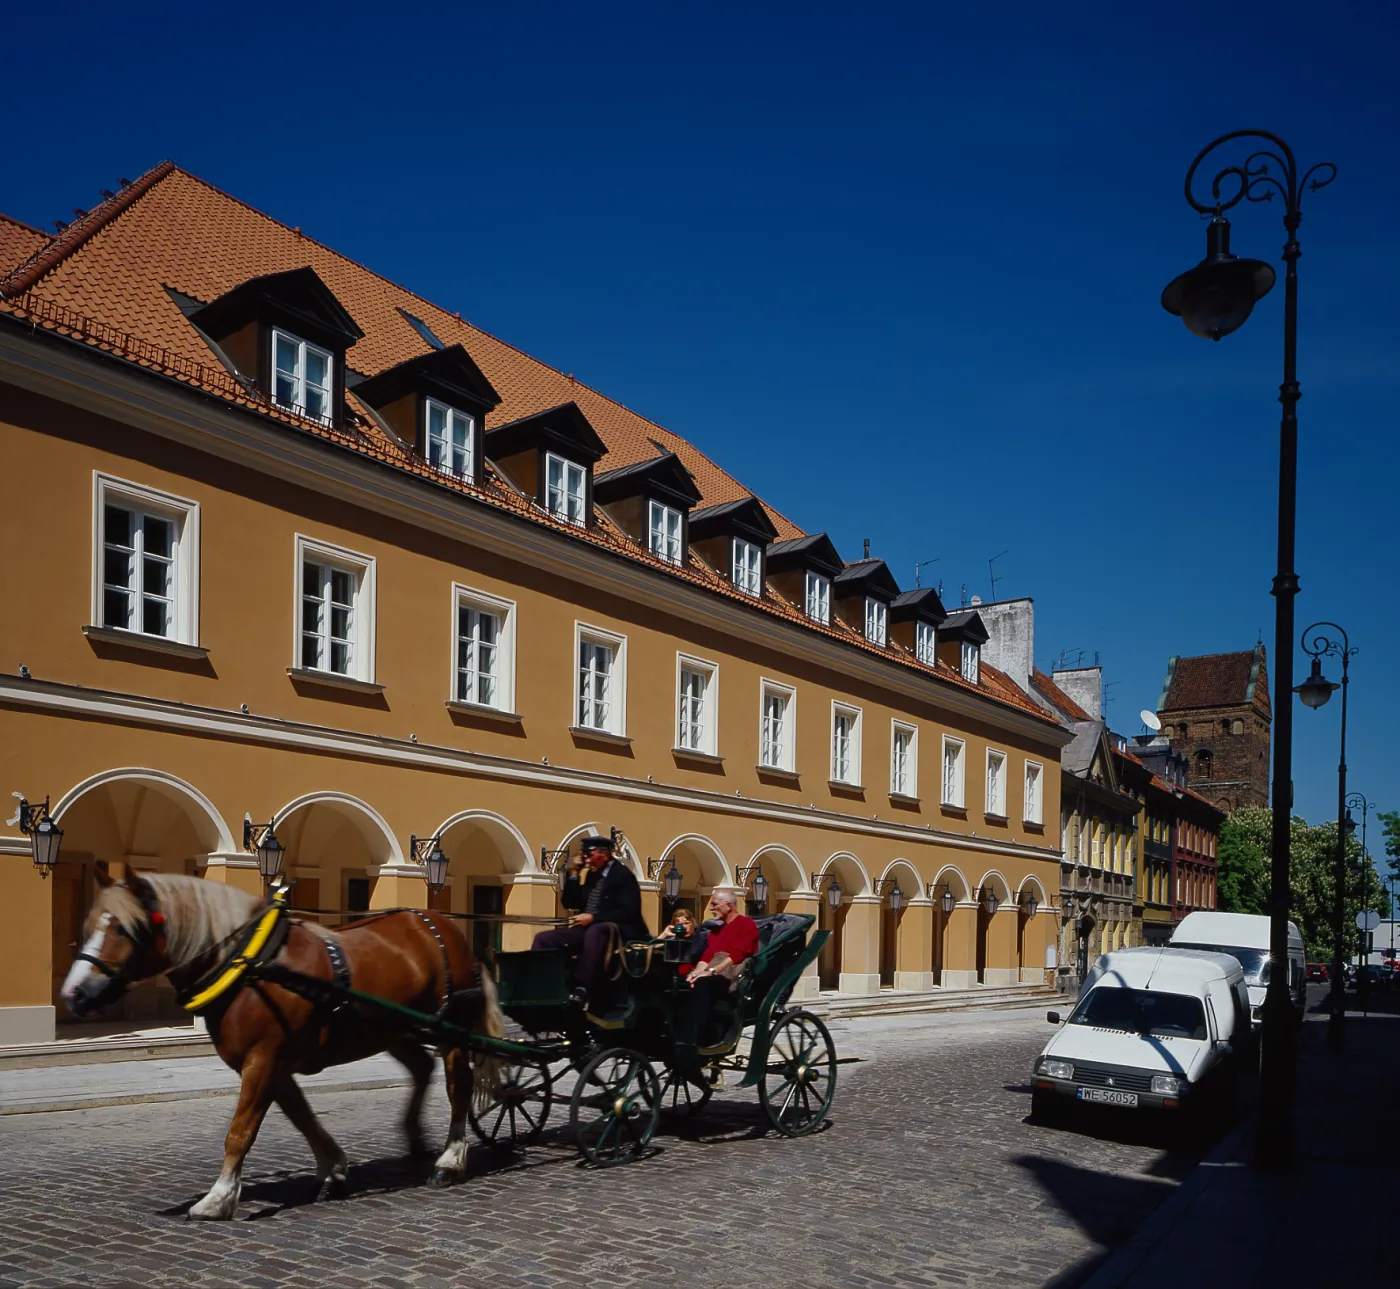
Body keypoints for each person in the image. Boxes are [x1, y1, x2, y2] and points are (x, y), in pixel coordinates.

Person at [531, 834, 648, 1006]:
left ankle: (582, 986)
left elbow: (628, 911)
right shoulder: (592, 876)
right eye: (584, 855)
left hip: (620, 932)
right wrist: (573, 873)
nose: (586, 860)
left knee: (596, 930)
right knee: (544, 938)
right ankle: (541, 983)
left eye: (589, 855)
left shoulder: (623, 875)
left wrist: (594, 917)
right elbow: (570, 902)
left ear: (605, 854)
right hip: (589, 930)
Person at [687, 888, 759, 1043]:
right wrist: (695, 973)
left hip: (732, 976)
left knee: (702, 984)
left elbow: (737, 955)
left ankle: (701, 1035)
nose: (711, 908)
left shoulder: (746, 924)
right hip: (715, 972)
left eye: (714, 904)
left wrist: (712, 971)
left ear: (728, 905)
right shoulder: (717, 931)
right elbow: (707, 956)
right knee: (683, 983)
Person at [659, 908, 700, 976]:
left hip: (693, 972)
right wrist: (664, 934)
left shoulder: (700, 936)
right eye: (680, 924)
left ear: (692, 923)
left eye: (686, 923)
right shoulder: (672, 939)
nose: (684, 927)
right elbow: (652, 948)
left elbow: (694, 955)